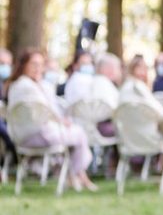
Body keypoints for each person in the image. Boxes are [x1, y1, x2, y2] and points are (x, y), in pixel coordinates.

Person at [5, 49, 97, 191]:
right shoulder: (29, 87)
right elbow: (44, 111)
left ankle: (75, 176)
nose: (38, 68)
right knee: (79, 134)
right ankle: (76, 176)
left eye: (41, 65)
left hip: (22, 137)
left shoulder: (16, 86)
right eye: (34, 64)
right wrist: (60, 121)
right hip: (39, 135)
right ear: (24, 65)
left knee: (74, 136)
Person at [119, 54, 163, 164]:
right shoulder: (139, 88)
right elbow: (160, 113)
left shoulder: (124, 89)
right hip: (148, 136)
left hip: (126, 137)